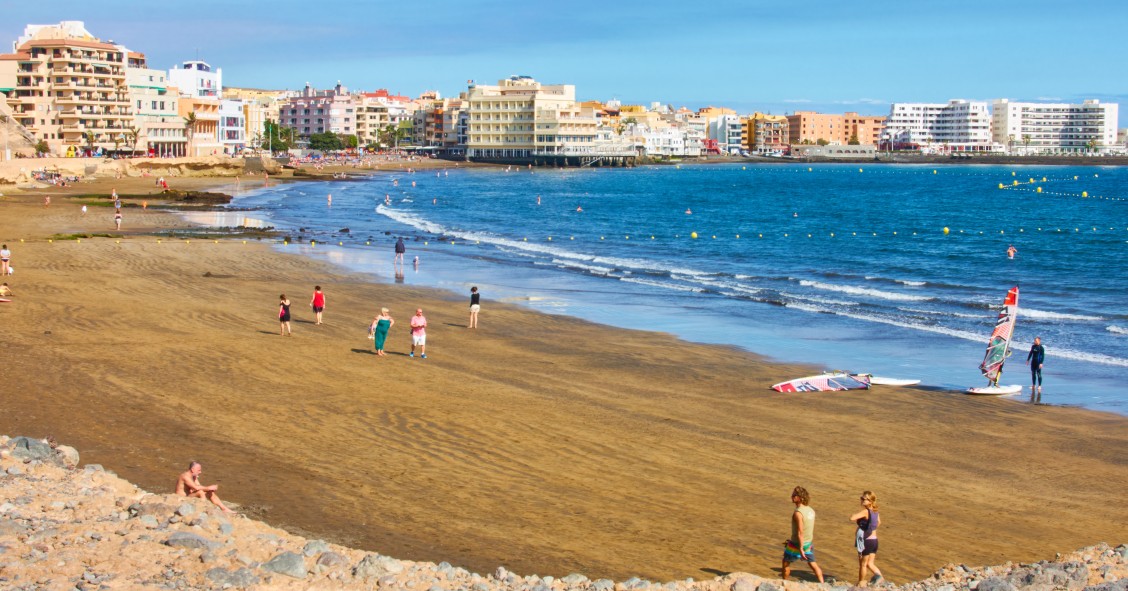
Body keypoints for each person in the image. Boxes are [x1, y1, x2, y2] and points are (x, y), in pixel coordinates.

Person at [782, 486, 825, 583]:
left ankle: (784, 582)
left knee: (785, 563)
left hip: (797, 544)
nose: (792, 496)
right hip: (808, 544)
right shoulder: (811, 510)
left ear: (801, 498)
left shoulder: (798, 513)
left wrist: (800, 548)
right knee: (813, 565)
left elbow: (800, 532)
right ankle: (822, 584)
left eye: (794, 495)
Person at [850, 491, 884, 587]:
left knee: (863, 564)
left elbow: (852, 518)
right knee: (870, 564)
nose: (862, 500)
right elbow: (879, 522)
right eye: (862, 498)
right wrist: (871, 528)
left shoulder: (865, 511)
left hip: (867, 541)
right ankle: (880, 578)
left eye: (865, 499)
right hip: (874, 540)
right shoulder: (875, 511)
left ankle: (860, 583)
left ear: (870, 501)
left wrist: (864, 528)